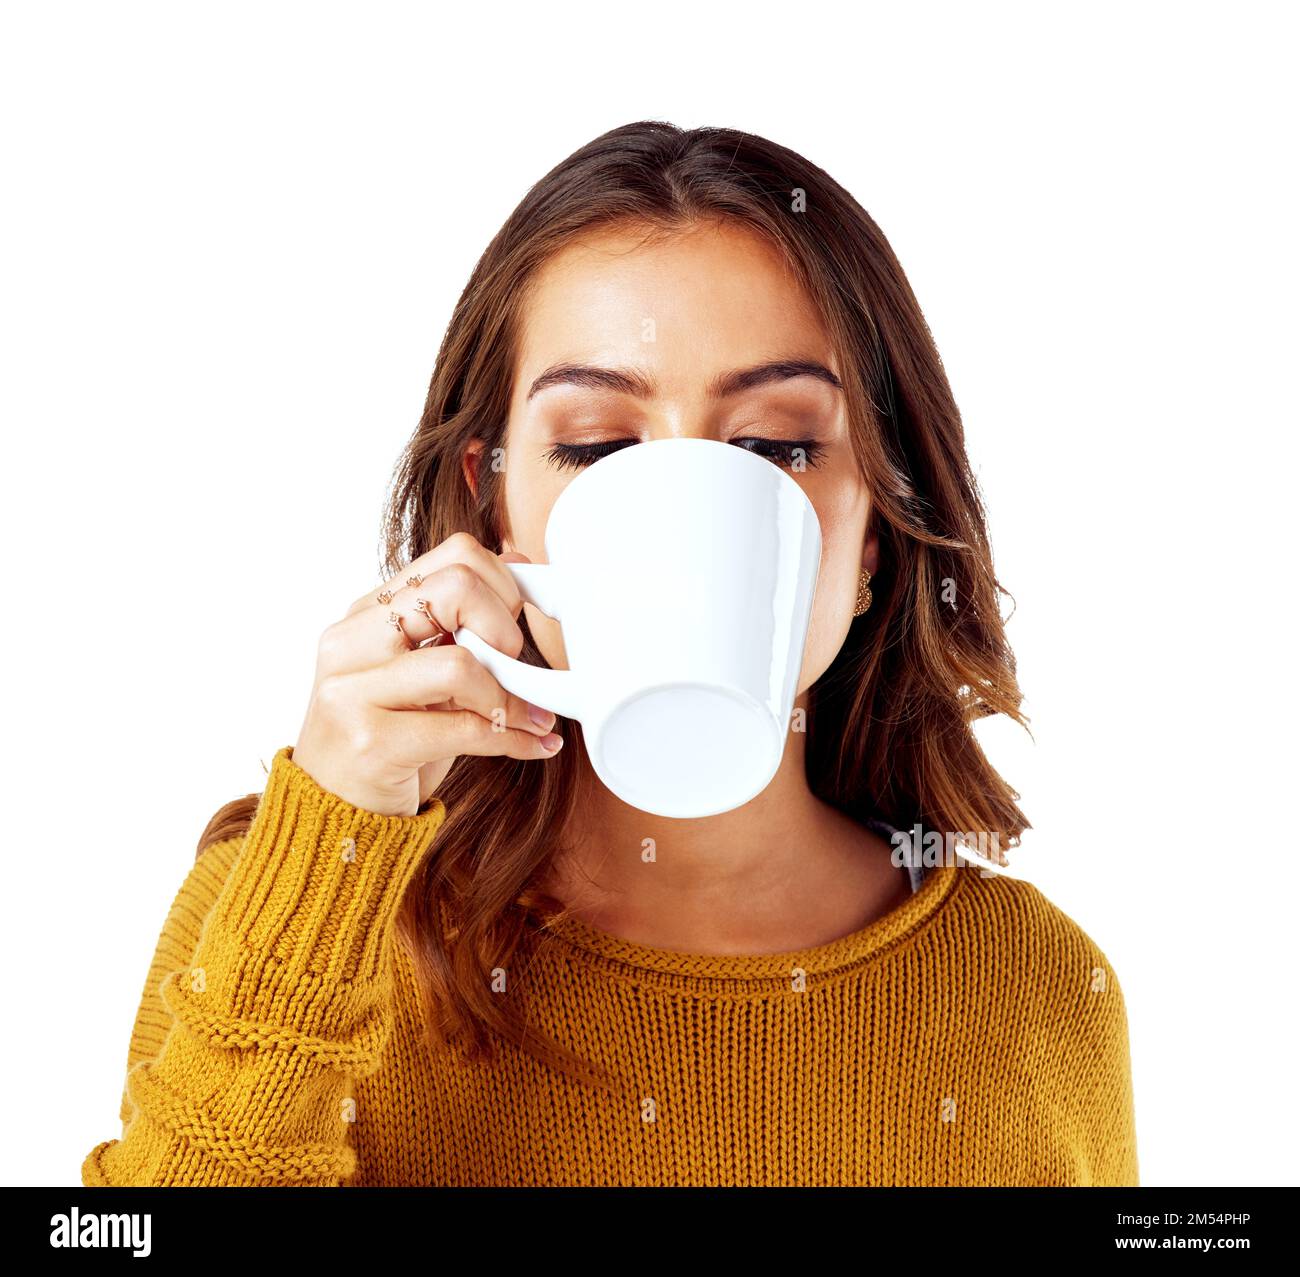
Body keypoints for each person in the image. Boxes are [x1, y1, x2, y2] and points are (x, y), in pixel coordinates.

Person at [83, 121, 1138, 1187]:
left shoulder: (1041, 992)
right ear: (496, 504)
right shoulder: (284, 910)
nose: (682, 518)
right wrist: (336, 834)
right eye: (593, 447)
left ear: (872, 529)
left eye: (777, 446)